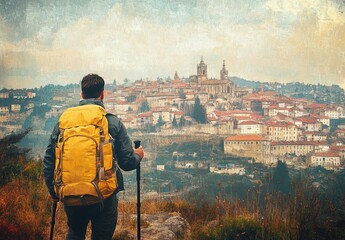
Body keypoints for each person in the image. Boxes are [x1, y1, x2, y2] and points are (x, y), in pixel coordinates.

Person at [43, 74, 144, 240]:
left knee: (75, 232)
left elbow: (49, 161)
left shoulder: (63, 123)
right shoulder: (111, 122)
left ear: (82, 94)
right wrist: (138, 156)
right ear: (102, 94)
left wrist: (52, 190)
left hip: (70, 194)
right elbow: (126, 162)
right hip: (103, 197)